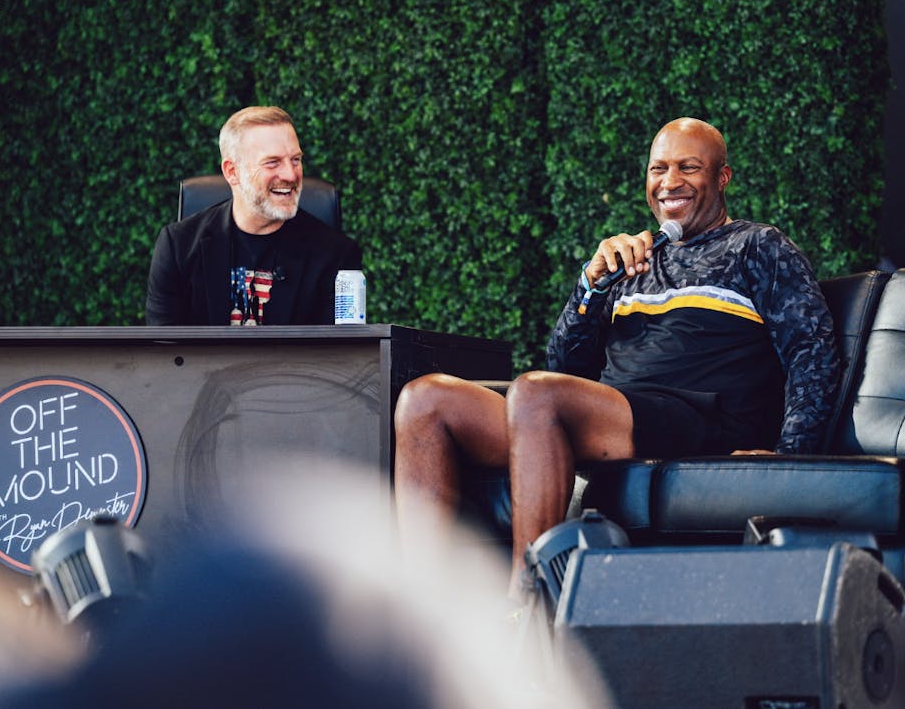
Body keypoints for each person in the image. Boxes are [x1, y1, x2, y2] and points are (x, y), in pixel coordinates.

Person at [393, 117, 839, 598]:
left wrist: (790, 458)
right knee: (426, 399)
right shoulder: (632, 259)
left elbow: (811, 346)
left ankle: (527, 601)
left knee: (536, 394)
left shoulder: (757, 245)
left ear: (722, 177)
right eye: (658, 169)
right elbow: (565, 367)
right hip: (612, 415)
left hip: (701, 416)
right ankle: (420, 611)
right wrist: (591, 285)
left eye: (689, 167)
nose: (670, 182)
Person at [146, 106, 362, 326]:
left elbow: (337, 347)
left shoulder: (336, 255)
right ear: (232, 172)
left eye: (296, 160)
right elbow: (164, 344)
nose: (290, 174)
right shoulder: (178, 246)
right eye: (272, 162)